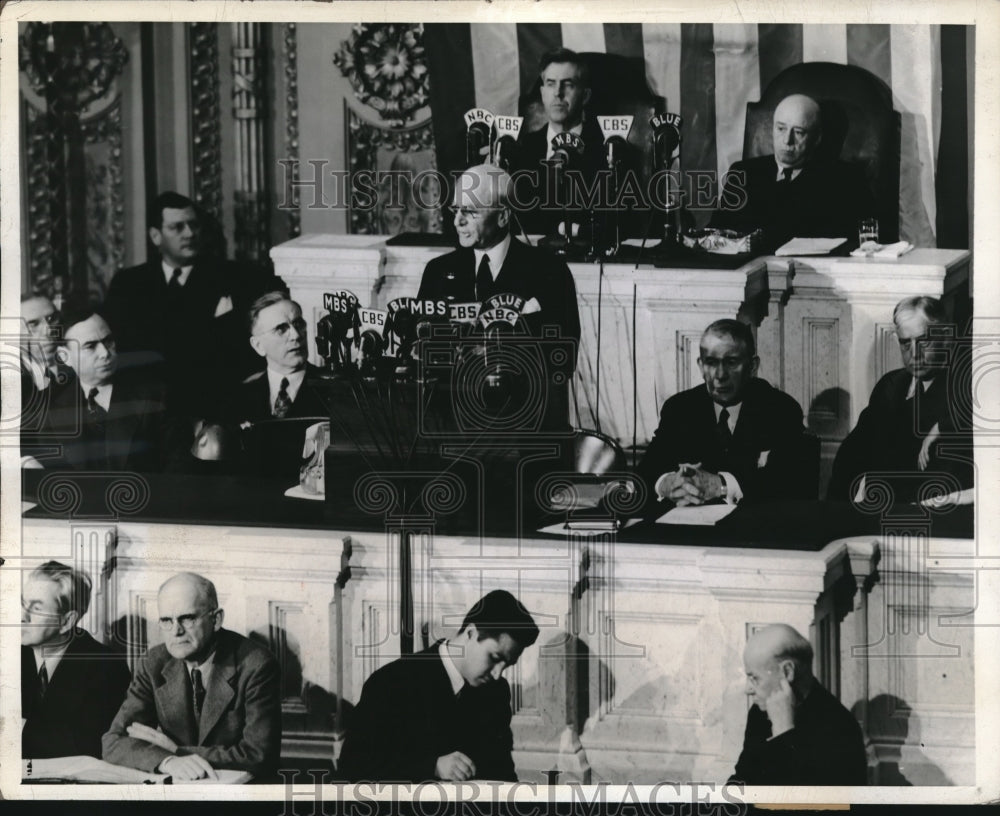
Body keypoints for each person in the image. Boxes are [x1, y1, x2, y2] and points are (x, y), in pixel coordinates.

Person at [102, 191, 279, 418]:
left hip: (214, 403)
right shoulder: (128, 284)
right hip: (147, 407)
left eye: (193, 225)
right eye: (177, 227)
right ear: (156, 236)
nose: (189, 233)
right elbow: (120, 350)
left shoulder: (235, 277)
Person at [339, 589, 540, 783]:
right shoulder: (392, 682)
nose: (498, 674)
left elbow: (502, 772)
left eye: (507, 665)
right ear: (471, 633)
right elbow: (352, 770)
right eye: (494, 658)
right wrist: (431, 766)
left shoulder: (496, 692)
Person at [102, 572, 281, 781]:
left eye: (187, 618)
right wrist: (168, 761)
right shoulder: (153, 662)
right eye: (166, 620)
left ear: (216, 619)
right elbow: (113, 742)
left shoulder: (256, 665)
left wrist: (177, 750)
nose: (176, 631)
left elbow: (259, 755)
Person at [635, 319, 814, 508]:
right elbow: (647, 471)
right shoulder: (680, 408)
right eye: (711, 363)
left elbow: (793, 484)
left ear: (752, 366)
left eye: (731, 362)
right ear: (700, 366)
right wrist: (666, 483)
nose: (720, 375)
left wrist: (722, 485)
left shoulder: (780, 409)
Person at [417, 163, 581, 355]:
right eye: (456, 210)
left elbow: (564, 355)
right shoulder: (437, 271)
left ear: (503, 216)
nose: (457, 221)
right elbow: (423, 349)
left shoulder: (550, 271)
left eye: (470, 211)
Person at [828, 296, 973, 504]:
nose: (914, 354)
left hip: (930, 516)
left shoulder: (964, 391)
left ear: (946, 339)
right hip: (873, 513)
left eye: (924, 341)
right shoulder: (890, 385)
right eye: (905, 343)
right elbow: (852, 456)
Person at [712, 93, 875, 253]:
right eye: (781, 128)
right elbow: (715, 234)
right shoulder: (742, 173)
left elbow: (865, 245)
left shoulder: (846, 180)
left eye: (798, 132)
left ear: (817, 137)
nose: (787, 141)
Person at [32, 310, 177, 472]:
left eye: (108, 341)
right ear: (65, 356)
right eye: (90, 346)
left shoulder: (155, 394)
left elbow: (177, 467)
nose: (105, 353)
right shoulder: (49, 409)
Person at [730, 624, 867, 786]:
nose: (748, 689)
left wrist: (784, 732)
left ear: (788, 671)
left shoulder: (840, 728)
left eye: (754, 678)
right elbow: (743, 778)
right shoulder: (760, 712)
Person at [21, 561, 131, 760]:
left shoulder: (107, 667)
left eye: (36, 608)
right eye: (22, 604)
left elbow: (88, 745)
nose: (22, 616)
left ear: (67, 621)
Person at [513, 48, 608, 237]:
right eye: (550, 84)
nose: (558, 93)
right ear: (542, 93)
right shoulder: (522, 149)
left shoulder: (607, 149)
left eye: (568, 84)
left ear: (585, 95)